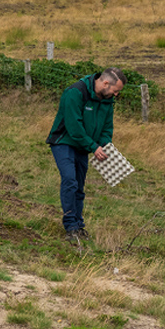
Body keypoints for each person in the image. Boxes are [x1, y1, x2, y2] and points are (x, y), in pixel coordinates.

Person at [46, 67, 126, 244]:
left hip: (84, 147)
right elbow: (74, 127)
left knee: (79, 187)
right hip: (64, 142)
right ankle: (70, 227)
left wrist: (105, 145)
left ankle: (79, 225)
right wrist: (93, 146)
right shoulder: (75, 92)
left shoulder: (107, 100)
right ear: (105, 83)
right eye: (115, 91)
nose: (116, 95)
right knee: (70, 180)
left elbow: (106, 128)